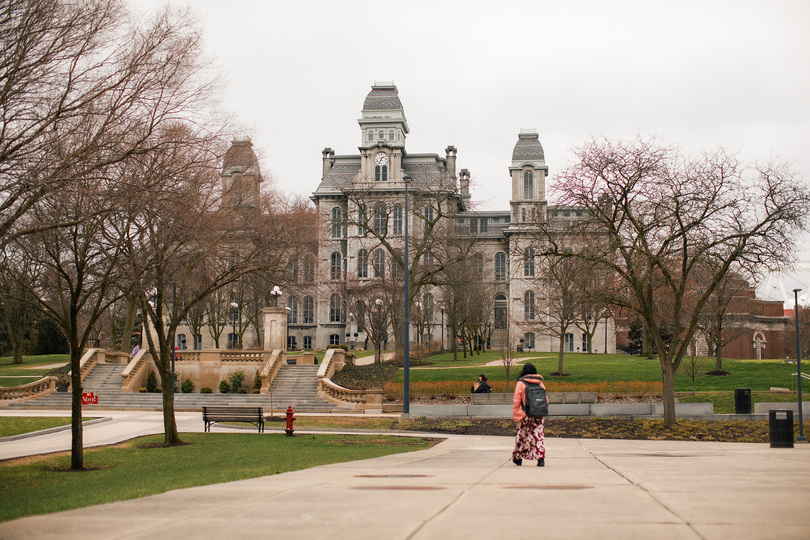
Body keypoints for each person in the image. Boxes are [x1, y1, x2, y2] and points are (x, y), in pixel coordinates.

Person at [511, 363, 548, 467]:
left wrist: (517, 415)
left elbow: (516, 401)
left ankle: (518, 458)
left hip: (525, 414)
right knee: (538, 436)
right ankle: (541, 459)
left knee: (522, 436)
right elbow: (546, 399)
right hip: (539, 414)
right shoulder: (540, 383)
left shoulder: (521, 383)